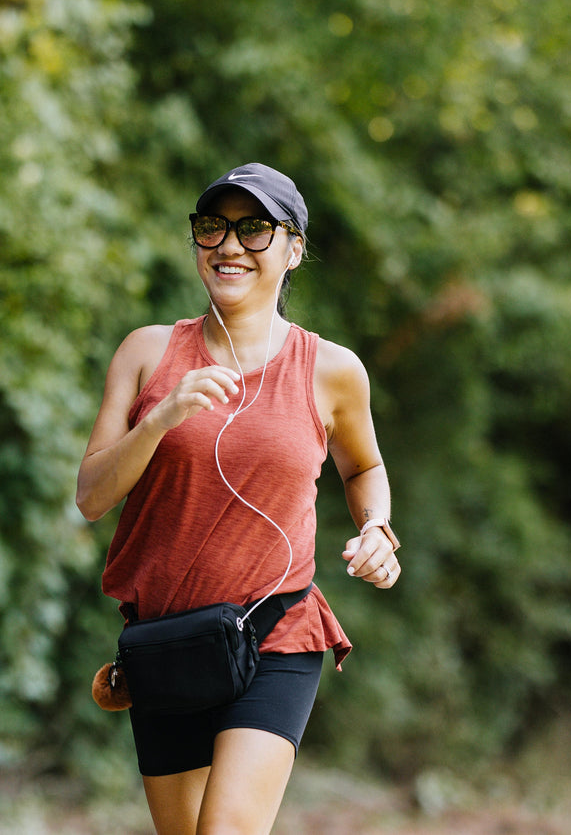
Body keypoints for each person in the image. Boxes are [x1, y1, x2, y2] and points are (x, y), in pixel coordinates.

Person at [76, 163, 400, 835]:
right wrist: (160, 418)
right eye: (211, 228)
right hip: (165, 641)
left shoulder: (331, 369)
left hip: (277, 632)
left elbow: (364, 467)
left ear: (292, 249)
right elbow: (91, 497)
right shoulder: (146, 352)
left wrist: (377, 528)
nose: (229, 245)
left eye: (253, 229)